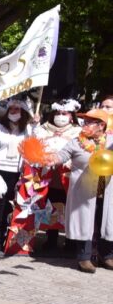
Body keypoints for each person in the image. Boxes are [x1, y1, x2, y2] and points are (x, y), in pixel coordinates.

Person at [46, 109, 113, 273]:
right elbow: (61, 156)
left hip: (107, 188)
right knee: (85, 222)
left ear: (101, 125)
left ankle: (107, 256)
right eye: (85, 121)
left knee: (107, 221)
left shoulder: (111, 141)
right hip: (84, 189)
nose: (85, 124)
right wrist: (47, 158)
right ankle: (84, 258)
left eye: (90, 122)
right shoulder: (76, 142)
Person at [0, 98, 34, 256]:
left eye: (16, 110)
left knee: (9, 206)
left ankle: (6, 235)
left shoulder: (27, 129)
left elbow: (32, 146)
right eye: (11, 109)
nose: (13, 112)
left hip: (17, 171)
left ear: (22, 112)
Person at [32, 99, 82, 255]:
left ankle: (71, 242)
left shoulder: (79, 132)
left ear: (71, 116)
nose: (61, 116)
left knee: (70, 209)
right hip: (50, 178)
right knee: (51, 207)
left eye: (64, 113)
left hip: (69, 178)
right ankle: (51, 239)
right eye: (58, 113)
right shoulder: (43, 129)